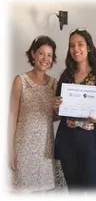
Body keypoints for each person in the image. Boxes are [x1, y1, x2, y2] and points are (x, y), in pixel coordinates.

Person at [53, 28, 96, 192]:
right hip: (69, 142)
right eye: (72, 45)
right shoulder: (66, 76)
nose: (76, 49)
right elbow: (58, 112)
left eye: (80, 44)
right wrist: (56, 106)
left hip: (94, 143)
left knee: (94, 191)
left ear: (89, 47)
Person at [8, 35, 59, 192]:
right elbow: (12, 116)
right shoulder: (20, 80)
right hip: (23, 148)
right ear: (33, 54)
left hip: (46, 148)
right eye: (41, 53)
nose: (45, 59)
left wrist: (58, 110)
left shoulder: (54, 83)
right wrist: (9, 149)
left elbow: (54, 116)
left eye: (49, 55)